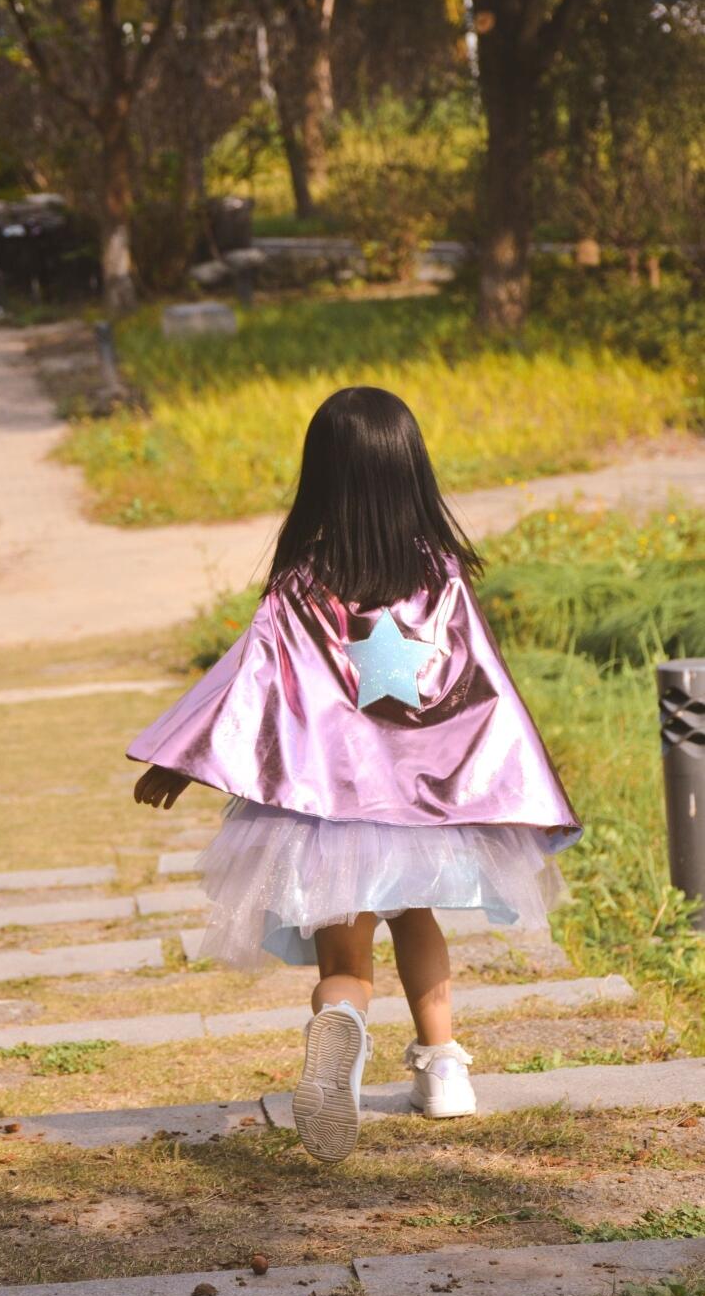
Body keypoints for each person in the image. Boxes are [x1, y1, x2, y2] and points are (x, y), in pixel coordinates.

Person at [129, 387, 580, 1164]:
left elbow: (247, 684)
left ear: (322, 477)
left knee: (345, 958)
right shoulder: (442, 579)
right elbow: (488, 691)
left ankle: (341, 1027)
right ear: (411, 472)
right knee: (418, 922)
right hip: (428, 808)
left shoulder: (302, 585)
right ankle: (445, 1072)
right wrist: (519, 784)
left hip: (330, 812)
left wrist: (182, 755)